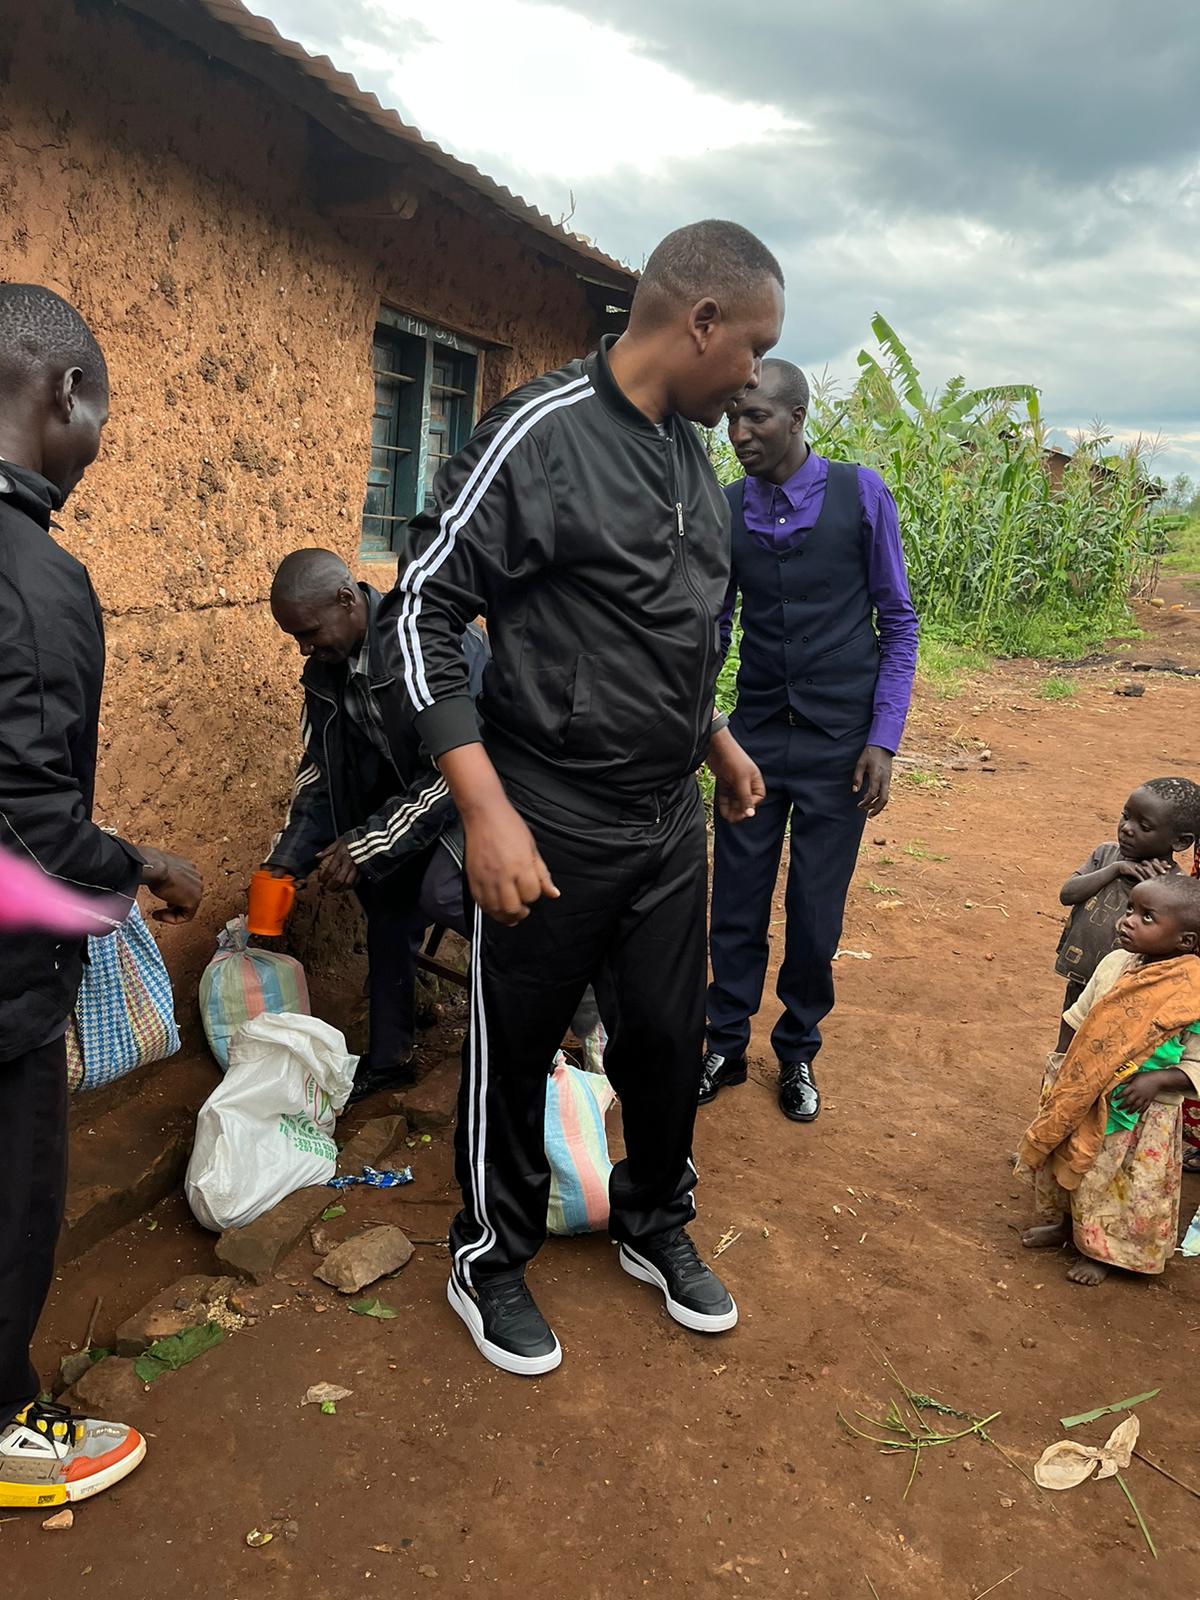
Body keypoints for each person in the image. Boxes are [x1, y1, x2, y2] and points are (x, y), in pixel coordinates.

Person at [379, 219, 783, 1376]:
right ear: (700, 323)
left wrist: (714, 739)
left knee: (663, 1036)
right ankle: (487, 1257)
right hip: (549, 815)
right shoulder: (540, 434)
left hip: (668, 818)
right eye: (752, 348)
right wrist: (484, 808)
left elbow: (664, 621)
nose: (754, 378)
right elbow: (416, 612)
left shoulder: (689, 454)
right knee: (517, 1046)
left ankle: (653, 1220)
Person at [0, 284, 202, 1506]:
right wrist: (138, 867)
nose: (95, 453)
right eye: (101, 423)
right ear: (65, 391)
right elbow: (31, 821)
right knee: (15, 1202)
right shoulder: (36, 579)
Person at [701, 359, 918, 1122]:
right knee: (735, 899)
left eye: (755, 416)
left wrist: (883, 739)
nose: (739, 432)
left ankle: (797, 1050)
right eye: (733, 417)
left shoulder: (861, 495)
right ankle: (724, 1043)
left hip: (841, 747)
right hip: (755, 738)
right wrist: (708, 724)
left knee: (816, 910)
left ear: (797, 418)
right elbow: (716, 623)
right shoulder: (729, 507)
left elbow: (899, 622)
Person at [265, 548, 487, 1103]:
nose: (304, 649)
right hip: (418, 800)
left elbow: (454, 769)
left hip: (492, 788)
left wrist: (369, 842)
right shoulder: (325, 673)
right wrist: (286, 859)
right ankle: (391, 1058)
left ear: (347, 600)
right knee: (385, 899)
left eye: (309, 633)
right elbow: (320, 772)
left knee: (442, 890)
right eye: (295, 638)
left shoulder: (424, 646)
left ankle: (550, 963)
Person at [1019, 874, 1200, 1286]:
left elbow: (1196, 1061)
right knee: (1072, 1164)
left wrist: (1158, 1081)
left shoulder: (1192, 993)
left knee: (1117, 1185)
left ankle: (1101, 1251)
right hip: (1085, 1092)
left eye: (1147, 917)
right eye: (1130, 909)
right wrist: (1061, 1067)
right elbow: (1079, 1017)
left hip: (1139, 1116)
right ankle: (1066, 1228)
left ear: (1185, 941)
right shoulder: (1115, 964)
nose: (1127, 920)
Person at [1053, 777, 1200, 1053]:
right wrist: (1115, 869)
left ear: (1180, 842)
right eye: (1125, 816)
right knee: (1067, 1041)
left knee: (1107, 1049)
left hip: (1128, 990)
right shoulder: (1107, 855)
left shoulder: (1178, 891)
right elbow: (1067, 894)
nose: (1127, 829)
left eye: (1144, 826)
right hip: (1081, 977)